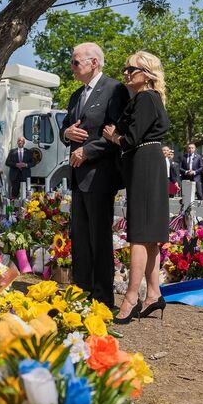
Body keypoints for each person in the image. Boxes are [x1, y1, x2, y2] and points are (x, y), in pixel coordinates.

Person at [60, 42, 129, 308]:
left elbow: (116, 132)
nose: (71, 66)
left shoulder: (114, 89)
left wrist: (88, 151)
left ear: (94, 63)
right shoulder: (76, 95)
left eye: (75, 62)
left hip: (100, 174)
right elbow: (66, 127)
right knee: (79, 237)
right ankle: (82, 291)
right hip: (78, 176)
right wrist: (66, 133)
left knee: (99, 238)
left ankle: (102, 297)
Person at [103, 50, 170, 324]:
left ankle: (131, 298)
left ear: (147, 74)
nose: (126, 73)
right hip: (147, 163)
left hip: (144, 163)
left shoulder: (145, 98)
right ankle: (154, 294)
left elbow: (130, 139)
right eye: (125, 69)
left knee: (140, 235)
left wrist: (113, 137)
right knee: (149, 234)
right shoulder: (150, 98)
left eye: (132, 69)